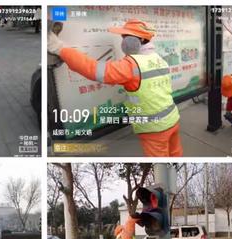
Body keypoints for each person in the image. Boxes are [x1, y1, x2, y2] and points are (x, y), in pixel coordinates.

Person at [48, 19, 183, 157]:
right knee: (175, 155)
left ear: (138, 40)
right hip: (172, 119)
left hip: (155, 129)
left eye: (125, 37)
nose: (123, 41)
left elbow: (93, 69)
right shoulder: (159, 59)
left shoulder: (131, 65)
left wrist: (59, 48)